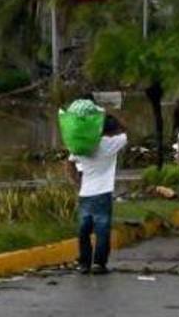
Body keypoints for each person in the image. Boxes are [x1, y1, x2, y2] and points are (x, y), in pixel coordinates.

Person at [66, 114, 127, 275]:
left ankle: (84, 263)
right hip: (103, 192)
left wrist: (77, 183)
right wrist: (113, 117)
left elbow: (70, 163)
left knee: (84, 229)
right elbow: (124, 131)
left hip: (85, 192)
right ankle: (99, 263)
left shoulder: (84, 143)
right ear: (111, 130)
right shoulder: (111, 143)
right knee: (102, 229)